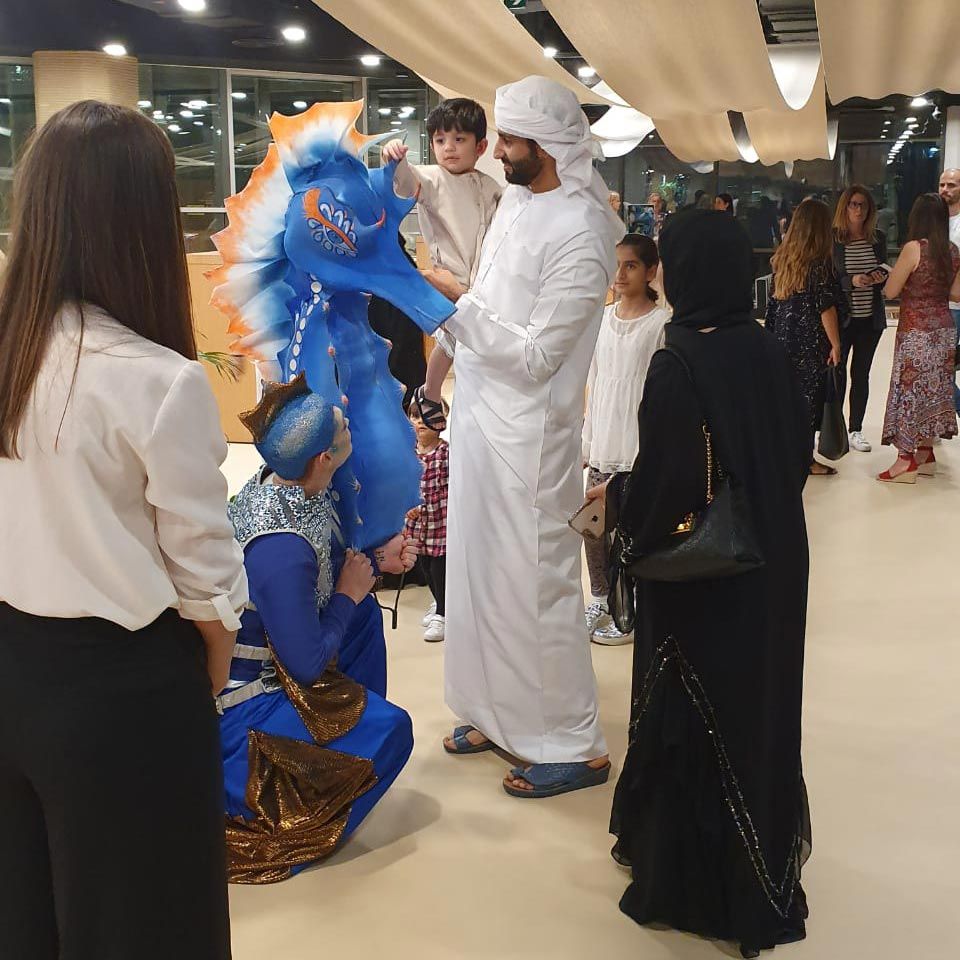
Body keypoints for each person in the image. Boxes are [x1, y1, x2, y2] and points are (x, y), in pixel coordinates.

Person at [0, 101, 247, 959]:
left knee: (25, 914)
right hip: (121, 689)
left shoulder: (12, 352)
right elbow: (205, 581)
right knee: (143, 925)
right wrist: (201, 678)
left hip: (12, 667)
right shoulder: (155, 379)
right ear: (142, 219)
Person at [592, 209, 812, 958]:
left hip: (700, 575)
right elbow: (795, 452)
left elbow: (666, 486)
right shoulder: (768, 350)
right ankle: (758, 877)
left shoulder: (677, 358)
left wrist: (618, 507)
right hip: (774, 559)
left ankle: (691, 881)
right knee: (759, 709)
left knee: (691, 710)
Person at [423, 75, 624, 798]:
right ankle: (495, 711)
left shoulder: (585, 230)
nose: (496, 150)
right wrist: (439, 366)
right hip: (480, 420)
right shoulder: (516, 201)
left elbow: (538, 355)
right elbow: (484, 301)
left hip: (531, 441)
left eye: (508, 140)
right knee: (479, 576)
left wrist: (451, 302)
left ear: (550, 146)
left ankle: (572, 743)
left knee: (536, 586)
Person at [220, 376, 416, 881]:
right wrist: (349, 593)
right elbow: (305, 664)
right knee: (395, 730)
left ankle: (345, 740)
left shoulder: (284, 481)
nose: (347, 422)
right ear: (324, 459)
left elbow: (328, 566)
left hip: (280, 654)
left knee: (363, 618)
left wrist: (374, 563)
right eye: (342, 425)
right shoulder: (281, 548)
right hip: (246, 706)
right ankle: (299, 822)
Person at [382, 98, 501, 430]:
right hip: (448, 278)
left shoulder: (490, 186)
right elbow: (406, 183)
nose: (448, 147)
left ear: (480, 147)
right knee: (450, 339)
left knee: (468, 342)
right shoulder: (433, 178)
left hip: (480, 280)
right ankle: (430, 392)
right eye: (440, 140)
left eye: (459, 139)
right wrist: (394, 160)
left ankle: (436, 396)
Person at [582, 234, 670, 643]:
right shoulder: (601, 320)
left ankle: (628, 607)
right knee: (594, 529)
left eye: (630, 265)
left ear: (650, 271)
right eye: (616, 265)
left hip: (635, 447)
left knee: (631, 531)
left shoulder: (661, 324)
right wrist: (587, 440)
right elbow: (595, 379)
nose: (620, 274)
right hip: (603, 441)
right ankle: (600, 598)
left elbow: (657, 391)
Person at [878, 193, 960, 482]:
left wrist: (892, 278)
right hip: (944, 330)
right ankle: (926, 453)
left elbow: (891, 291)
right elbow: (955, 294)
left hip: (916, 332)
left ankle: (905, 461)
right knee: (934, 390)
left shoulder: (914, 249)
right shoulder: (953, 251)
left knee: (909, 391)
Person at [766, 198, 843, 475]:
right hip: (811, 342)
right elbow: (825, 307)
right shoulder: (819, 264)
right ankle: (805, 460)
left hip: (782, 339)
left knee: (785, 400)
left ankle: (783, 454)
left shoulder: (783, 261)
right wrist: (836, 344)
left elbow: (773, 305)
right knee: (808, 403)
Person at [831, 184, 889, 453]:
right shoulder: (835, 239)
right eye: (853, 204)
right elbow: (831, 278)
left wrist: (879, 276)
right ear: (845, 207)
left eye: (863, 205)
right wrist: (851, 281)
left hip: (870, 318)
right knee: (837, 373)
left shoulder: (877, 238)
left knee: (861, 374)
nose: (858, 210)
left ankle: (856, 429)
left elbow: (884, 270)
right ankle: (834, 428)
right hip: (843, 319)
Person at [404, 399, 450, 642]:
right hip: (417, 522)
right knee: (423, 563)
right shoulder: (407, 451)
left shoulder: (445, 453)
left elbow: (453, 488)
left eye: (427, 417)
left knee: (438, 566)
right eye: (415, 417)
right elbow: (401, 482)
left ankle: (443, 613)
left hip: (440, 521)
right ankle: (439, 601)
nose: (420, 422)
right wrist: (406, 506)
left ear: (441, 423)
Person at [367, 232, 429, 410]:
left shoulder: (388, 269)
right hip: (401, 370)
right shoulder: (399, 264)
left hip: (396, 374)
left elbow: (402, 332)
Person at [938, 167, 960, 412]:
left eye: (952, 185)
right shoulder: (933, 221)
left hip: (956, 303)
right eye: (942, 184)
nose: (945, 190)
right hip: (940, 306)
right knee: (942, 369)